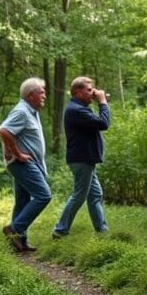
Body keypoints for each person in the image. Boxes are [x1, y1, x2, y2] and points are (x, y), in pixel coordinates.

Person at [0, 77, 53, 253]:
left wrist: (12, 150)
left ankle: (19, 242)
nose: (44, 95)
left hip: (28, 163)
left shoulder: (31, 111)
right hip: (22, 163)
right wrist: (17, 153)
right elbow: (4, 130)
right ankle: (14, 229)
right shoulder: (22, 111)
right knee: (43, 195)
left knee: (22, 201)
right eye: (41, 92)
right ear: (30, 95)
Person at [52, 76, 110, 238]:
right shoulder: (76, 110)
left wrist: (99, 101)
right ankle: (60, 230)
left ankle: (102, 230)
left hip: (85, 159)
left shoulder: (78, 108)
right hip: (82, 159)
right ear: (77, 92)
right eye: (89, 90)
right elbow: (103, 124)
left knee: (95, 195)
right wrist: (103, 102)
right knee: (79, 195)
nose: (93, 92)